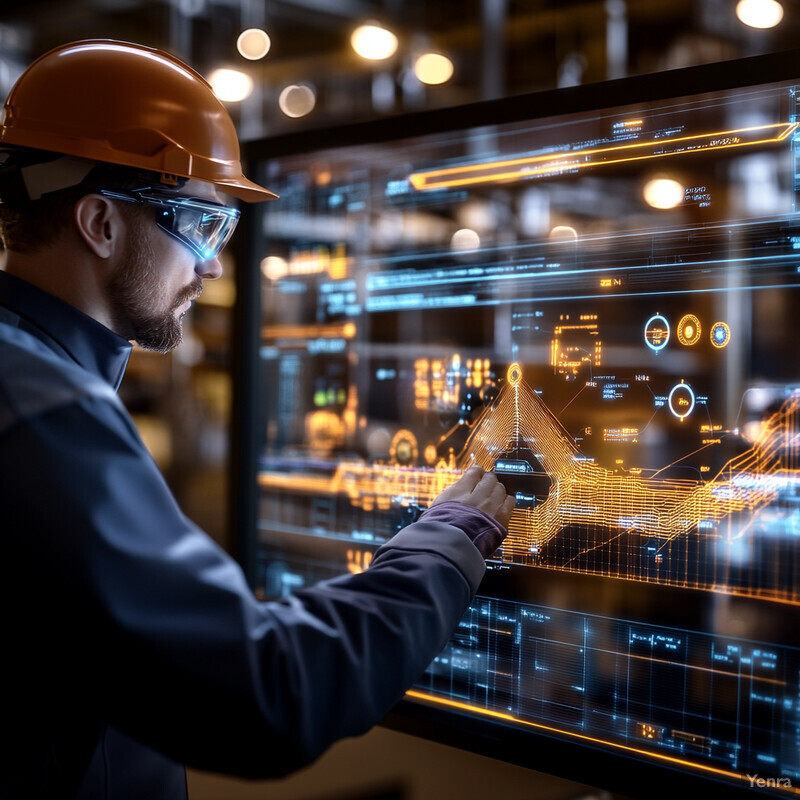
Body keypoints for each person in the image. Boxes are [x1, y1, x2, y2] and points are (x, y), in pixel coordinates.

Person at [0, 40, 515, 798]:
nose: (212, 267)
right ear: (100, 223)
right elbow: (265, 695)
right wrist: (447, 543)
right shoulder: (42, 410)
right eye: (202, 227)